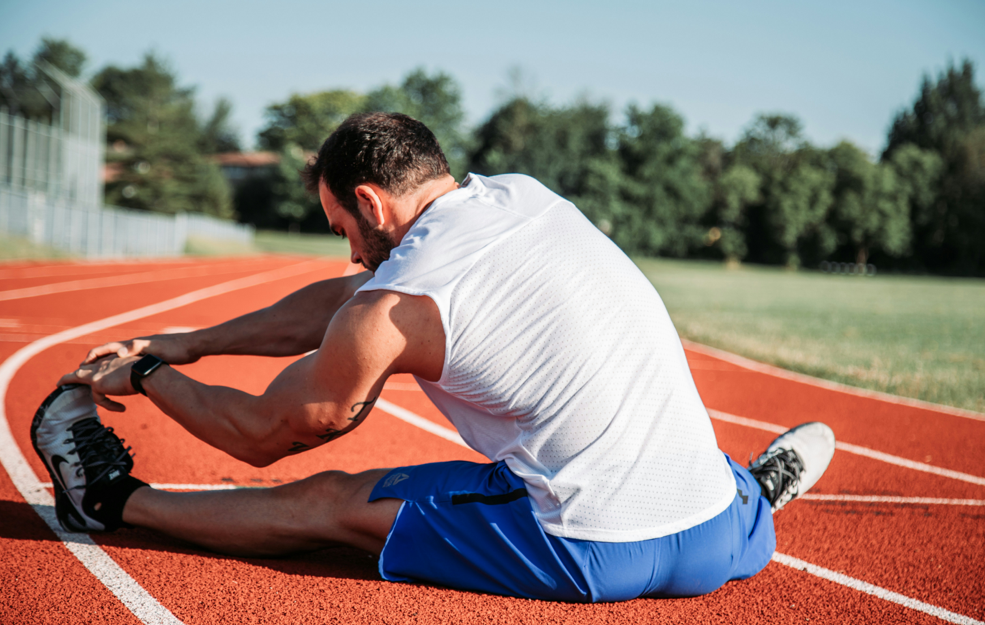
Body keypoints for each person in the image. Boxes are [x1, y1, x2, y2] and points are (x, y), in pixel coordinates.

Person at [32, 112, 835, 602]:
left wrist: (146, 372)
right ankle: (754, 493)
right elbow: (350, 301)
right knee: (662, 433)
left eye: (342, 228)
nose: (347, 252)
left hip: (587, 544)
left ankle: (109, 502)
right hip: (715, 538)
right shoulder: (521, 196)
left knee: (326, 502)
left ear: (372, 204)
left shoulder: (391, 306)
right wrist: (191, 342)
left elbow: (263, 431)